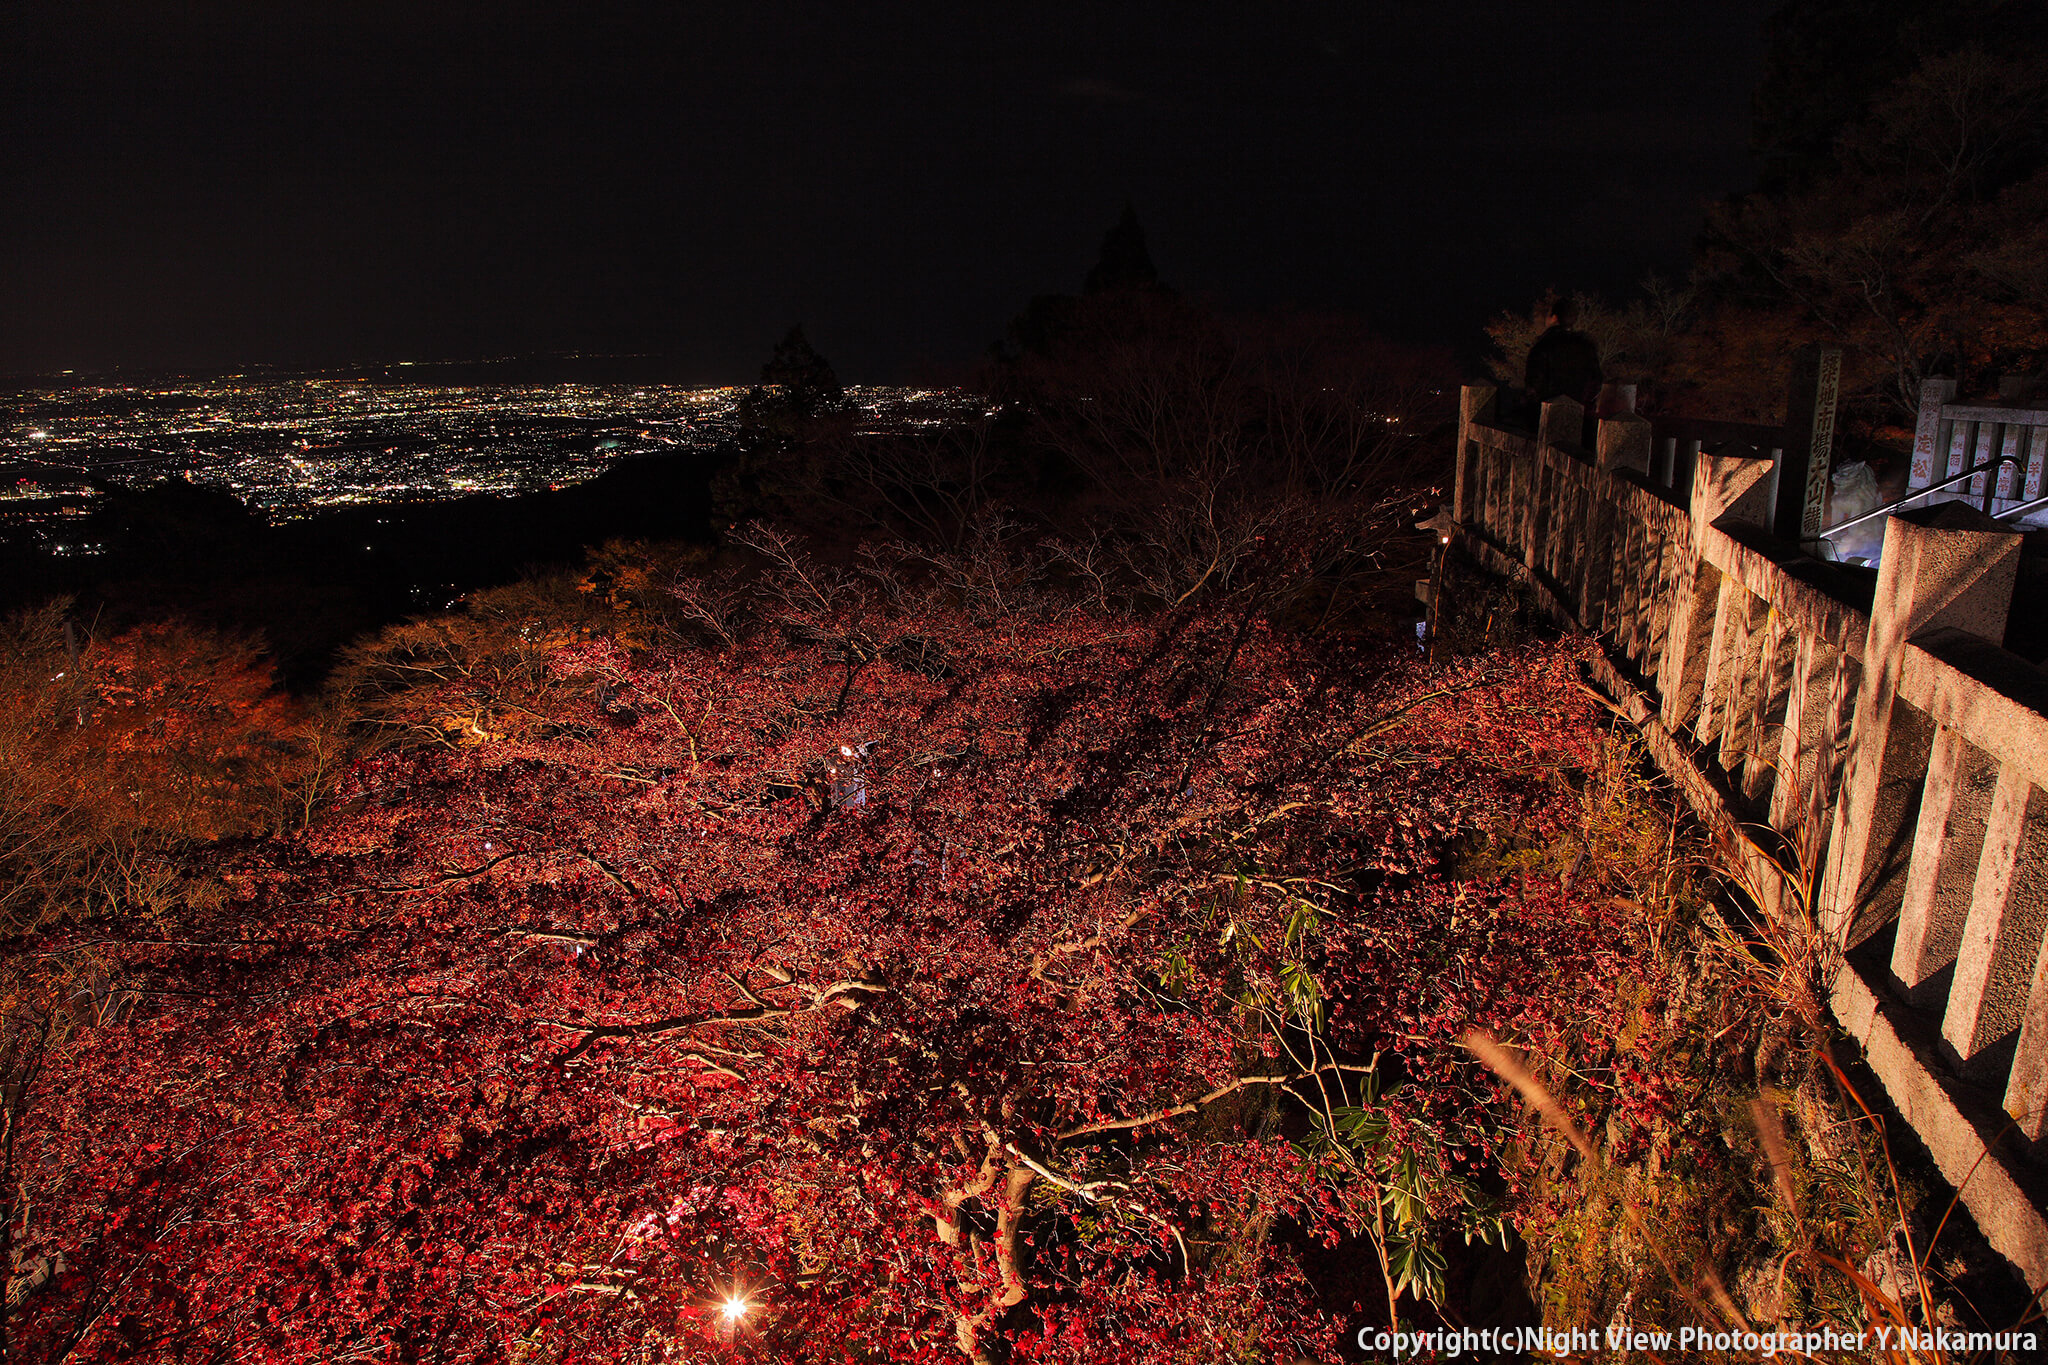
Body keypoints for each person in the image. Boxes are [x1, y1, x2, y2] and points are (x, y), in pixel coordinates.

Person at [1524, 297, 1603, 410]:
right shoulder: (1586, 346)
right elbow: (1596, 380)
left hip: (1546, 410)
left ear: (1554, 318)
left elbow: (1533, 382)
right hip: (1579, 411)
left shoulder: (1545, 344)